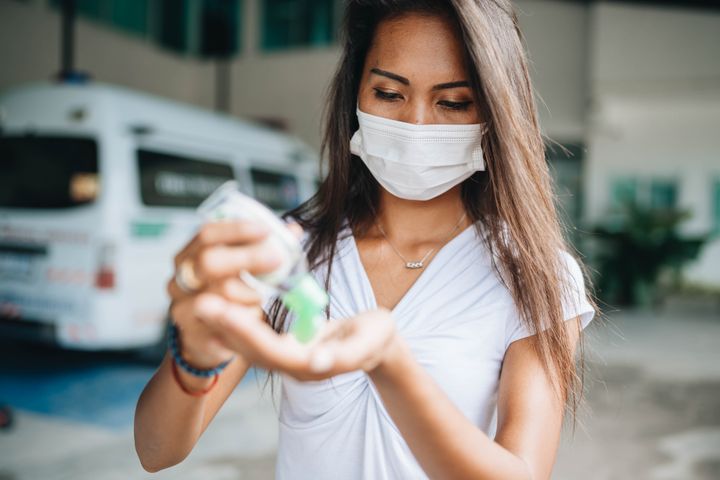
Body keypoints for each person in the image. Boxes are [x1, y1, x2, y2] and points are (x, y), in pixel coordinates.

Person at [134, 1, 599, 478]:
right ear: (356, 95)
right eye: (389, 93)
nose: (415, 124)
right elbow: (156, 451)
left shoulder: (534, 275)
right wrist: (193, 356)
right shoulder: (294, 251)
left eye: (453, 102)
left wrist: (389, 364)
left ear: (494, 114)